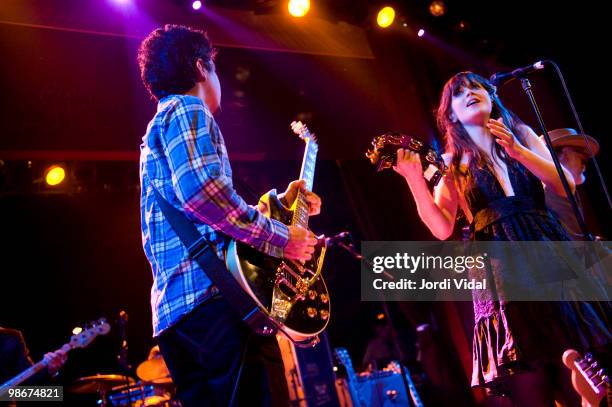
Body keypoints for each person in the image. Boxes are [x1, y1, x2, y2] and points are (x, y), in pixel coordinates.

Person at [392, 71, 610, 405]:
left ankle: (583, 392)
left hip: (543, 243)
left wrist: (519, 151)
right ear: (450, 114)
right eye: (459, 93)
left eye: (476, 87)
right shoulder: (452, 164)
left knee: (570, 342)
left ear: (491, 96)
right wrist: (413, 180)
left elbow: (563, 183)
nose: (469, 93)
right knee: (525, 365)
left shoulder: (520, 133)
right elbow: (441, 227)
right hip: (498, 264)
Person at [137, 25, 321, 407]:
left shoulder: (158, 128)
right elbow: (204, 194)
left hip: (178, 314)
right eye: (216, 69)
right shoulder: (188, 108)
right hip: (215, 301)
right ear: (202, 67)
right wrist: (284, 238)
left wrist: (275, 202)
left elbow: (199, 212)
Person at [543, 128, 600, 240]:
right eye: (582, 159)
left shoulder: (564, 189)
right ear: (565, 154)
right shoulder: (553, 190)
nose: (584, 166)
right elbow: (575, 242)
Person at [0, 326, 67, 384]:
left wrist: (50, 369)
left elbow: (30, 379)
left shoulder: (11, 338)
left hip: (8, 395)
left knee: (52, 394)